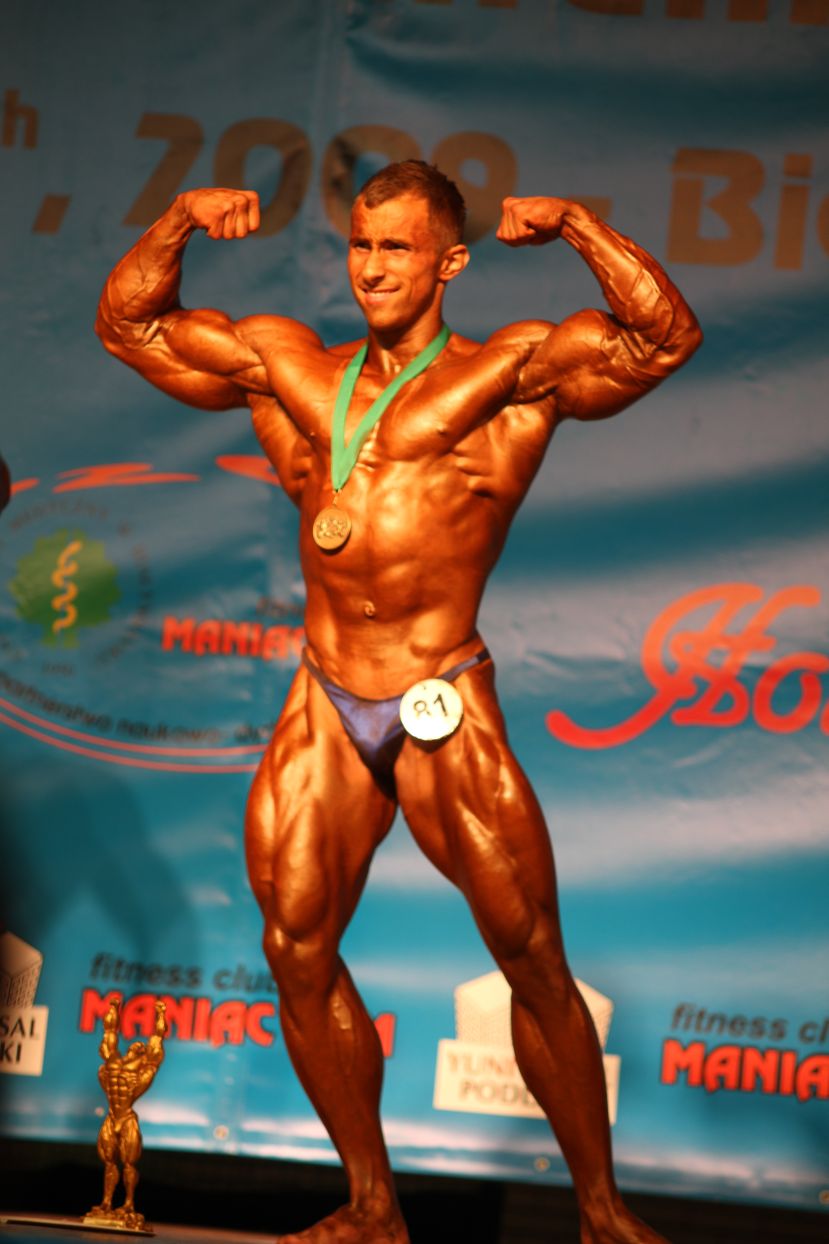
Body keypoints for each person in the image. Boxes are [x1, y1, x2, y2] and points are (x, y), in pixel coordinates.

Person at [96, 161, 701, 1243]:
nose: (372, 268)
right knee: (295, 944)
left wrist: (578, 227)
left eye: (397, 249)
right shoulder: (289, 368)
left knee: (530, 955)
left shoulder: (510, 373)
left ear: (448, 262)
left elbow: (660, 339)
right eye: (361, 245)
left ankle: (601, 1214)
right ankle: (372, 1204)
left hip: (439, 691)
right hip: (325, 694)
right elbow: (130, 327)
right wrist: (178, 220)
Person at [88, 995, 167, 1228]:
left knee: (129, 1163)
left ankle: (129, 1203)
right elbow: (109, 1034)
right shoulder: (113, 1062)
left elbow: (157, 1040)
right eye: (135, 1045)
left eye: (141, 1048)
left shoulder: (143, 1072)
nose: (137, 1046)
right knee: (109, 1162)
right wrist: (113, 1007)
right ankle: (106, 1202)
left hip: (127, 1118)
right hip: (112, 1115)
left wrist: (161, 1014)